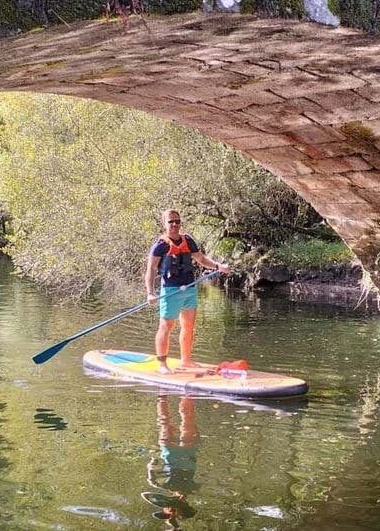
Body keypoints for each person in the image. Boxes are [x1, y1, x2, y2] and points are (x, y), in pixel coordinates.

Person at [145, 209, 230, 373]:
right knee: (166, 326)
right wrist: (150, 292)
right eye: (171, 222)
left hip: (189, 289)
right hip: (170, 291)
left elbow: (201, 259)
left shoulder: (188, 240)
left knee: (189, 326)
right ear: (164, 224)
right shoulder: (160, 246)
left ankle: (186, 361)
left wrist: (218, 266)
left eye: (177, 221)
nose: (175, 224)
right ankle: (162, 364)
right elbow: (151, 270)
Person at [142, 395, 199, 526]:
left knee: (165, 422)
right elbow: (150, 485)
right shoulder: (190, 489)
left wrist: (152, 465)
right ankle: (187, 395)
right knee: (186, 419)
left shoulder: (168, 487)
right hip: (186, 453)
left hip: (171, 453)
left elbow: (147, 492)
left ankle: (162, 396)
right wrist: (174, 511)